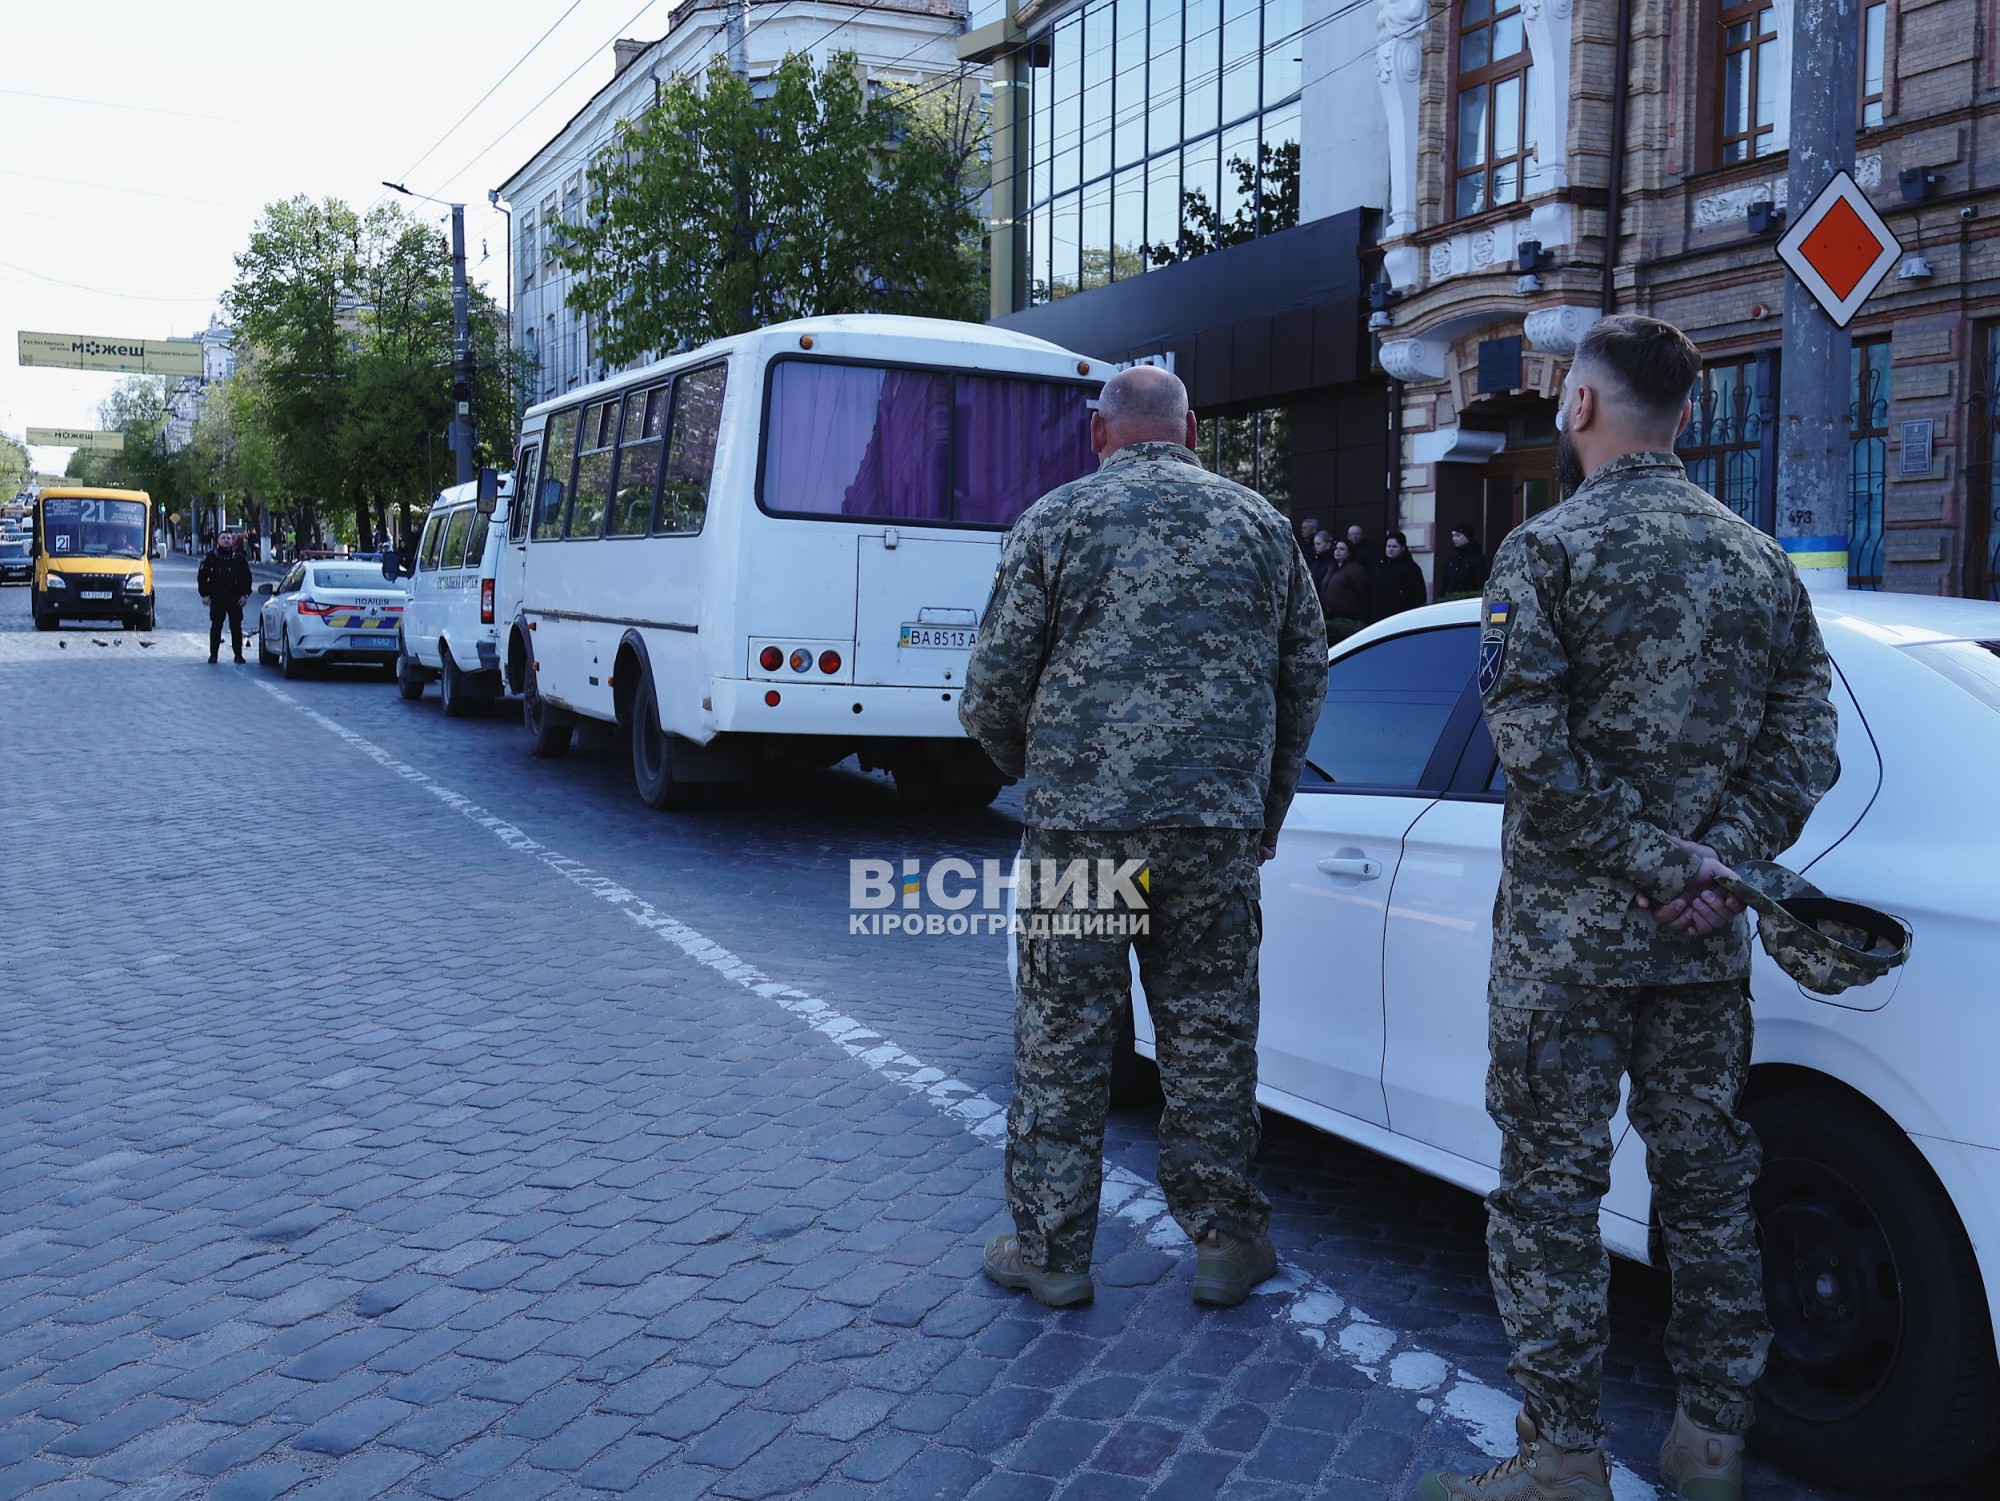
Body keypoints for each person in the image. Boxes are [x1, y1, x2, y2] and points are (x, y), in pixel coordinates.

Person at [1417, 315, 1837, 1501]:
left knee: (1549, 1194)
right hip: (1699, 947)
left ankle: (1559, 1459)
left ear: (1580, 407)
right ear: (1686, 415)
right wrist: (1714, 865)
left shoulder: (1542, 552)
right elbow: (1806, 744)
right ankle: (1709, 1443)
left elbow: (1534, 758)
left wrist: (1654, 866)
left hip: (1566, 950)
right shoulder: (1758, 562)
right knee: (1707, 1189)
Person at [960, 363, 1327, 1311]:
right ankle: (1225, 1242)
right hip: (1213, 831)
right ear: (1192, 431)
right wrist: (1264, 805)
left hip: (1083, 834)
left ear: (1101, 433)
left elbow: (991, 688)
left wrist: (1039, 773)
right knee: (1210, 1035)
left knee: (1063, 1038)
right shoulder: (1261, 526)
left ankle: (1052, 1251)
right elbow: (1305, 676)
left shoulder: (1055, 522)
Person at [198, 532, 254, 665]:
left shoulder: (239, 557)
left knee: (236, 627)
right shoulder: (211, 557)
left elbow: (247, 578)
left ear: (232, 540)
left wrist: (245, 595)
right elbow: (202, 576)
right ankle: (213, 655)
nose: (226, 540)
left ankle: (238, 655)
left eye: (229, 538)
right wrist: (204, 594)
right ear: (218, 540)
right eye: (223, 538)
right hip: (217, 596)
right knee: (216, 626)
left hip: (235, 597)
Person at [1366, 529, 1427, 621]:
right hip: (1377, 617)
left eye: (1395, 547)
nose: (1390, 549)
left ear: (1402, 548)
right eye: (1388, 546)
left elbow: (1418, 597)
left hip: (1399, 617)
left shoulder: (1411, 569)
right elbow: (1368, 589)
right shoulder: (1377, 565)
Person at [1317, 537, 1370, 634]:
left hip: (1347, 615)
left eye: (1342, 549)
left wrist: (1363, 618)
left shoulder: (1355, 569)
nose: (1338, 551)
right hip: (1329, 614)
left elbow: (1363, 594)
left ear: (1349, 552)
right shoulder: (1331, 568)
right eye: (1336, 549)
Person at [1439, 525, 1490, 599]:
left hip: (1468, 601)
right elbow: (1444, 585)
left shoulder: (1477, 559)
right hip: (1450, 601)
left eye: (1458, 535)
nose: (1454, 539)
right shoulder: (1452, 559)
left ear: (1467, 536)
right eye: (1453, 536)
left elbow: (1481, 584)